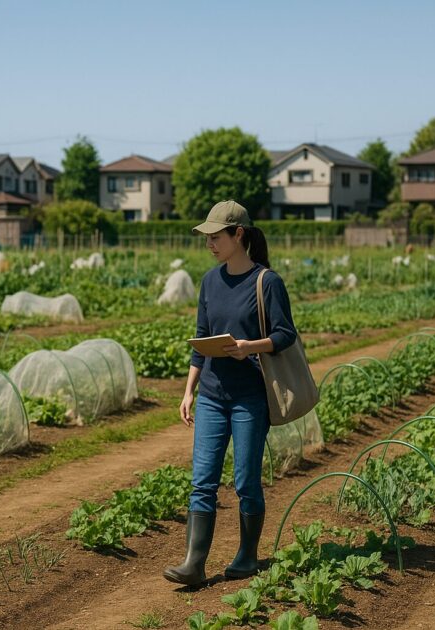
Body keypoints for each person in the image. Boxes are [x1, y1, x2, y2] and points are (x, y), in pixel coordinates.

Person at [163, 200, 297, 586]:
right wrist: (189, 391)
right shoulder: (210, 280)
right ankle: (194, 563)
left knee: (245, 482)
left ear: (239, 235)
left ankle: (246, 556)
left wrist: (249, 346)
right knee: (202, 481)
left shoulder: (266, 282)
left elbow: (286, 334)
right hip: (211, 396)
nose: (210, 243)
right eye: (207, 237)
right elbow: (201, 339)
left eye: (216, 236)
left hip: (249, 398)